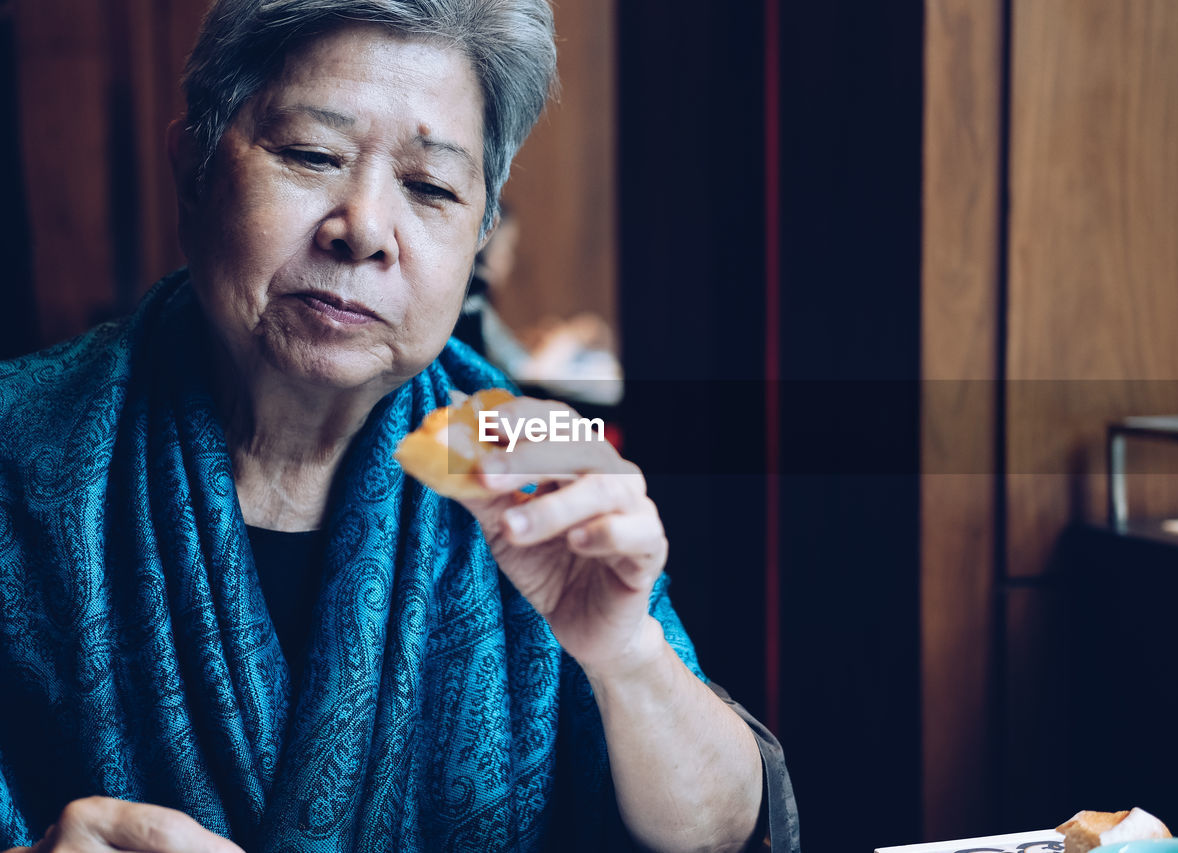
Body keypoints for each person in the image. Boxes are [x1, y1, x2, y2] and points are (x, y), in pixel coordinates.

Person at [0, 1, 799, 851]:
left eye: (430, 188)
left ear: (480, 236)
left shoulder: (525, 447)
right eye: (312, 155)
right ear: (193, 169)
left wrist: (629, 652)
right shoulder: (23, 445)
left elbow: (726, 831)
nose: (366, 230)